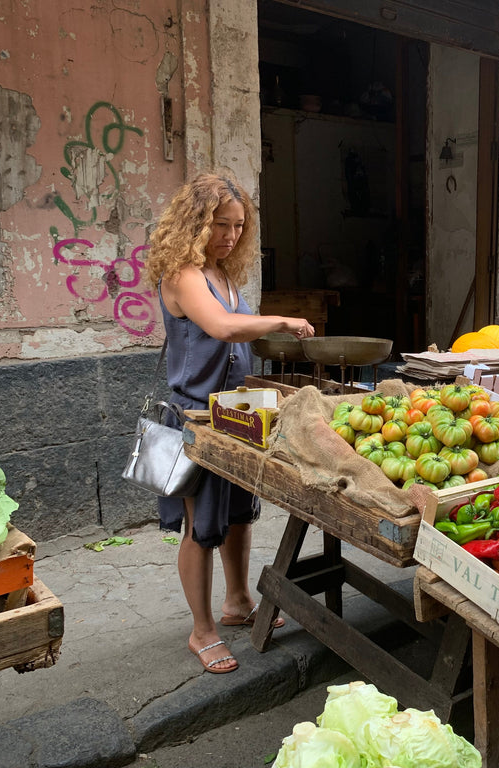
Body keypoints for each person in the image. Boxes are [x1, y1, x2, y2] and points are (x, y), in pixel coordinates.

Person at [145, 172, 315, 674]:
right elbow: (220, 327)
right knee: (201, 528)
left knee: (240, 513)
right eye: (221, 225)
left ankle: (237, 601)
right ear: (195, 222)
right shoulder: (183, 273)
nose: (231, 236)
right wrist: (282, 321)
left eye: (239, 227)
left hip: (238, 412)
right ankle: (201, 631)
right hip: (198, 417)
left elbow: (238, 331)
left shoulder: (222, 274)